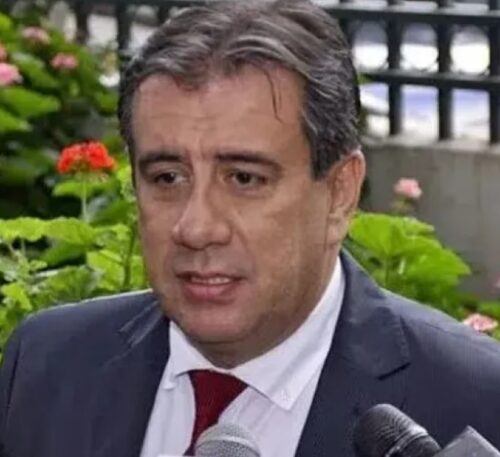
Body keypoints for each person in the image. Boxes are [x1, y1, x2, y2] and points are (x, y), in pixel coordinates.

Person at [1, 1, 500, 456]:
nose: (196, 227)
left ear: (340, 193)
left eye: (244, 178)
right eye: (167, 178)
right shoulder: (48, 366)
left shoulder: (476, 399)